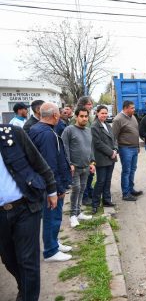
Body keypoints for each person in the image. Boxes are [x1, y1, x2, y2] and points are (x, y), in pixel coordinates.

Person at [0, 124, 57, 301]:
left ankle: (27, 296)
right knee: (8, 259)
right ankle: (23, 286)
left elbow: (38, 161)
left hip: (25, 206)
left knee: (27, 260)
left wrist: (52, 189)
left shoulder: (12, 134)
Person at [28, 103, 72, 262]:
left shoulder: (37, 129)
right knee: (52, 217)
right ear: (54, 115)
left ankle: (54, 242)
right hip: (49, 185)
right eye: (59, 113)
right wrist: (57, 188)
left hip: (45, 183)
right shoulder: (46, 134)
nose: (60, 116)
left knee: (53, 216)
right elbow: (50, 164)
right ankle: (50, 251)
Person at [62, 106, 95, 228]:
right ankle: (72, 216)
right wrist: (69, 163)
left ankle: (79, 211)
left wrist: (92, 163)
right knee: (75, 190)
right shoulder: (69, 130)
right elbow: (64, 148)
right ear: (76, 116)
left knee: (82, 189)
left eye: (86, 116)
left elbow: (91, 148)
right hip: (74, 167)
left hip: (86, 166)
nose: (84, 118)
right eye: (81, 116)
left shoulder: (88, 130)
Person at [112, 100, 142, 201]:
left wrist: (137, 146)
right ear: (125, 108)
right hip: (125, 149)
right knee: (126, 171)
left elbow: (136, 132)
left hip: (134, 148)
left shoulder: (133, 117)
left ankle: (131, 189)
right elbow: (114, 136)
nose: (134, 110)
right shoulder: (118, 119)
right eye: (132, 108)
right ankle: (126, 194)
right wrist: (115, 149)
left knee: (132, 170)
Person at [91, 105, 118, 214]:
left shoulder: (107, 125)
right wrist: (111, 152)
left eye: (106, 113)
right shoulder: (94, 126)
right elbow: (98, 143)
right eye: (102, 113)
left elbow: (114, 139)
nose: (104, 115)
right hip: (102, 158)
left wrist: (115, 149)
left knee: (108, 180)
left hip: (111, 157)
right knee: (101, 181)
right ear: (97, 113)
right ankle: (95, 204)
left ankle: (107, 200)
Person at [70, 97, 95, 206]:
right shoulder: (74, 121)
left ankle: (88, 194)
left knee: (89, 177)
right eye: (89, 104)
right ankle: (83, 199)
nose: (91, 106)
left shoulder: (90, 117)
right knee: (80, 184)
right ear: (83, 105)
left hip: (88, 153)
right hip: (78, 157)